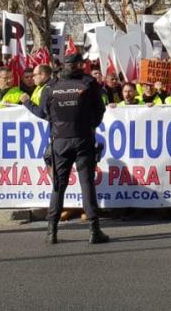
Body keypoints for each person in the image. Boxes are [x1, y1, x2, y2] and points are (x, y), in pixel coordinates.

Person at [25, 53, 109, 245]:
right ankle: (94, 230)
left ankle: (51, 231)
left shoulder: (52, 85)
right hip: (83, 139)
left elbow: (45, 113)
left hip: (60, 142)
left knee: (58, 186)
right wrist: (90, 126)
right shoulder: (89, 83)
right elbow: (100, 110)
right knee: (86, 183)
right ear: (79, 65)